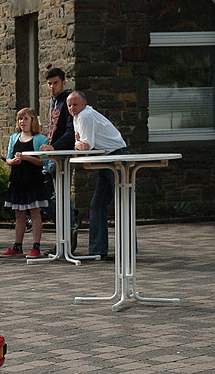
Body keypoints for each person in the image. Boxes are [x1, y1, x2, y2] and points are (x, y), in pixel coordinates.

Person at [67, 91, 129, 259]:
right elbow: (80, 143)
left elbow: (85, 146)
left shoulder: (85, 115)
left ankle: (128, 250)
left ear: (84, 104)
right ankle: (98, 250)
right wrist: (79, 142)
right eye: (69, 105)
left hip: (117, 157)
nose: (72, 108)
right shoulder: (77, 117)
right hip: (106, 159)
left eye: (75, 104)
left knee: (123, 203)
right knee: (98, 204)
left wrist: (78, 143)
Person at [1, 108, 49, 258]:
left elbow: (44, 162)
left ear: (33, 120)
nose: (22, 122)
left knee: (35, 212)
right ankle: (17, 245)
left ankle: (36, 246)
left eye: (26, 118)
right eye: (20, 119)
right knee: (19, 214)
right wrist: (14, 161)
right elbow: (8, 159)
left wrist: (27, 158)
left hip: (33, 180)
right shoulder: (14, 138)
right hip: (18, 180)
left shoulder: (40, 139)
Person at [39, 67, 79, 246]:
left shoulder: (69, 100)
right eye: (49, 83)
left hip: (62, 155)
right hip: (49, 156)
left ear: (63, 82)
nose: (52, 87)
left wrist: (54, 146)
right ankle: (64, 234)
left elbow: (71, 132)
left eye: (55, 83)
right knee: (47, 197)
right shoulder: (52, 101)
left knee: (61, 196)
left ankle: (69, 234)